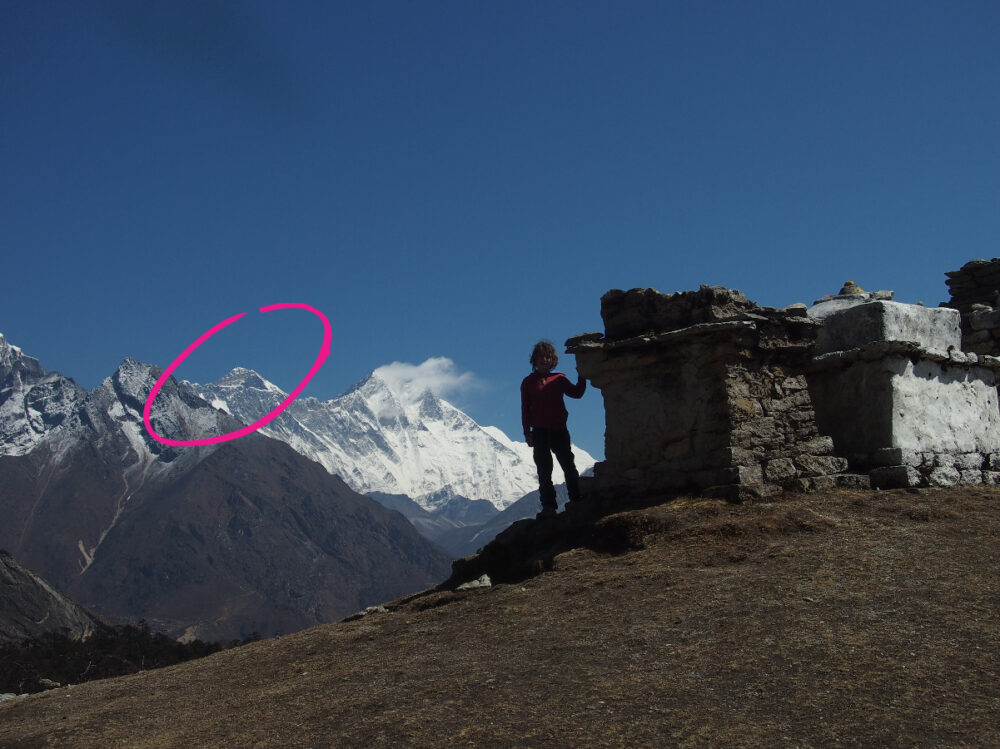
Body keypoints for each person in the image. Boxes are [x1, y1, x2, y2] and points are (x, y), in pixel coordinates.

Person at [520, 340, 586, 519]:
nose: (545, 360)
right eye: (542, 357)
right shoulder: (528, 382)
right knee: (544, 470)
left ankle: (576, 498)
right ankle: (548, 506)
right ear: (535, 360)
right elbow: (525, 409)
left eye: (548, 357)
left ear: (553, 360)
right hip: (539, 431)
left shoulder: (560, 379)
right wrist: (527, 432)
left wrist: (582, 376)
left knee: (568, 465)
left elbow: (577, 393)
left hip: (559, 429)